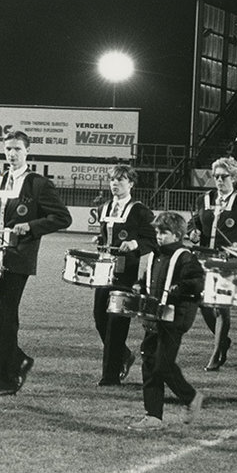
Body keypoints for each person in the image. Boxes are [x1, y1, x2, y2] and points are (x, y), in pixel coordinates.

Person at [0, 130, 72, 397]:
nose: (11, 154)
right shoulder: (0, 179)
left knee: (5, 320)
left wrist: (30, 226)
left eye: (17, 149)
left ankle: (6, 381)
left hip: (18, 259)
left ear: (27, 151)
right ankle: (18, 361)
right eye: (8, 149)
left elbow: (63, 218)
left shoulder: (37, 184)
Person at [128, 212, 205, 431]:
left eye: (164, 232)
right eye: (157, 232)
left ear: (178, 235)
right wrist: (139, 286)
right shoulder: (155, 255)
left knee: (162, 364)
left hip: (175, 316)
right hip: (155, 315)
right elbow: (148, 279)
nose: (159, 236)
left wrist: (180, 288)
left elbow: (197, 282)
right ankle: (153, 416)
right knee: (150, 361)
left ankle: (191, 398)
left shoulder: (185, 256)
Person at [189, 157, 237, 371]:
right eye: (216, 176)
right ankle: (223, 341)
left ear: (234, 177)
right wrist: (193, 231)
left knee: (221, 308)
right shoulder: (205, 198)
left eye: (223, 176)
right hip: (204, 258)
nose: (219, 180)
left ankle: (216, 354)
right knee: (203, 302)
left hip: (228, 261)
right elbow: (196, 221)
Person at [92, 165, 156, 386]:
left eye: (121, 180)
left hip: (126, 274)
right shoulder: (104, 208)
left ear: (131, 184)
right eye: (112, 180)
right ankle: (125, 355)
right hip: (103, 272)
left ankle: (110, 377)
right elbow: (105, 237)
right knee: (99, 318)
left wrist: (135, 243)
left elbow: (153, 240)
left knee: (116, 324)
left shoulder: (140, 210)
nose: (115, 184)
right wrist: (99, 241)